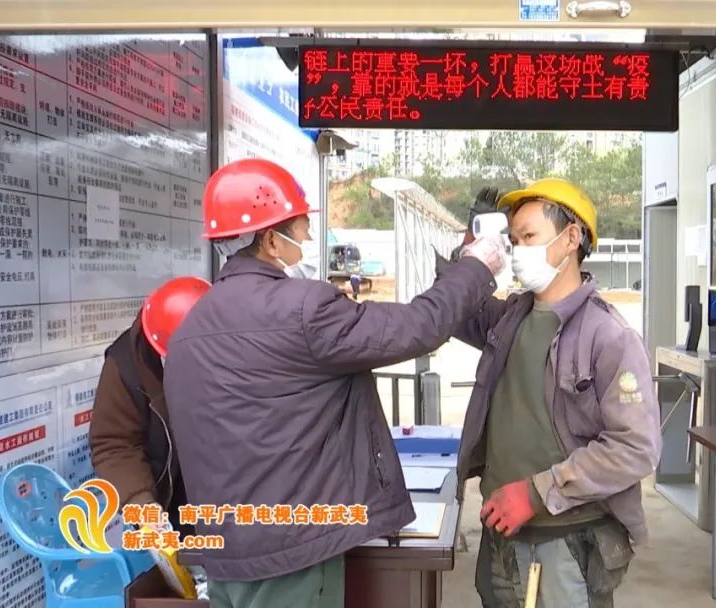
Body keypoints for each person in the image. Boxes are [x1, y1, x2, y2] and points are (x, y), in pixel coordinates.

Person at [162, 158, 507, 608]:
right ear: (270, 239)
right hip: (292, 554)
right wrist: (477, 267)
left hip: (225, 553)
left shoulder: (193, 326)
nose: (306, 241)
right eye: (301, 231)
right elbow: (418, 327)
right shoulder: (302, 310)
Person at [440, 178, 662, 607]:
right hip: (500, 535)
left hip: (567, 544)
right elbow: (450, 308)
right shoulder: (509, 319)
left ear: (570, 239)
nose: (517, 250)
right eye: (512, 238)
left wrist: (538, 492)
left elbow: (636, 447)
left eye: (529, 237)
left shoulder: (609, 336)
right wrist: (468, 249)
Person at [89, 275, 211, 533]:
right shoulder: (126, 363)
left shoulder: (240, 345)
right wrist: (142, 504)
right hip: (172, 496)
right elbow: (115, 443)